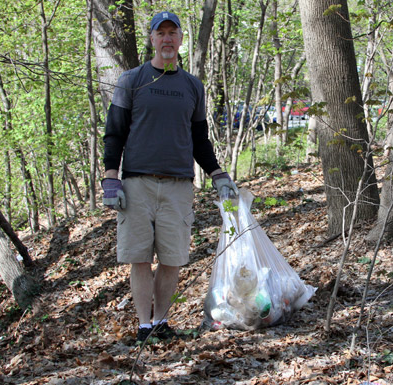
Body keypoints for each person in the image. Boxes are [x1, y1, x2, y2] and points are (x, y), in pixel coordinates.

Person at [101, 11, 238, 344]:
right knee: (139, 257)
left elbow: (199, 138)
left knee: (172, 259)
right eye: (160, 33)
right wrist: (110, 177)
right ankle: (144, 325)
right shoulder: (132, 80)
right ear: (151, 39)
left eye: (172, 33)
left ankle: (161, 322)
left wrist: (217, 173)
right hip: (136, 184)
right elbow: (114, 132)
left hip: (178, 185)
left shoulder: (192, 86)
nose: (166, 39)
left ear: (179, 39)